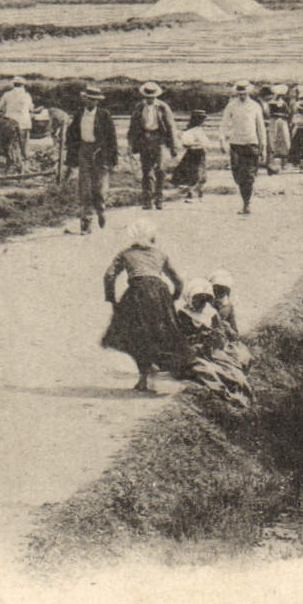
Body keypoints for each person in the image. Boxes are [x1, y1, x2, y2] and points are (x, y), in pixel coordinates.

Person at [101, 220, 187, 393]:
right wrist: (173, 298)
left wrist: (112, 299)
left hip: (137, 293)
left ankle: (143, 378)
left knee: (135, 334)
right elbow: (178, 281)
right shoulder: (160, 254)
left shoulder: (125, 254)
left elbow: (109, 275)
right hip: (160, 293)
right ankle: (164, 370)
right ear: (152, 237)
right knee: (162, 332)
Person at [174, 278, 253, 407]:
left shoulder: (210, 313)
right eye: (198, 299)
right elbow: (179, 339)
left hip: (212, 351)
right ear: (189, 298)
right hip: (194, 353)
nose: (202, 304)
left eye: (205, 300)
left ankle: (243, 394)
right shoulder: (183, 314)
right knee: (210, 372)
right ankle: (228, 396)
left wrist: (213, 338)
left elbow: (220, 335)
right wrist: (197, 341)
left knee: (233, 371)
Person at [63, 85, 119, 233]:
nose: (91, 102)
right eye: (88, 99)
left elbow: (112, 138)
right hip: (84, 152)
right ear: (85, 99)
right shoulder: (79, 114)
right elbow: (72, 135)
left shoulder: (104, 115)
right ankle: (86, 221)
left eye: (94, 100)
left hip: (101, 153)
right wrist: (71, 155)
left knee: (99, 188)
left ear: (98, 101)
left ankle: (100, 210)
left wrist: (113, 159)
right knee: (84, 188)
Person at [126, 81, 180, 210]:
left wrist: (173, 147)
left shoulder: (163, 107)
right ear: (144, 96)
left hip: (160, 140)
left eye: (152, 97)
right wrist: (130, 144)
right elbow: (133, 127)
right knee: (147, 171)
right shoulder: (139, 107)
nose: (150, 99)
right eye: (147, 97)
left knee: (160, 169)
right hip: (144, 140)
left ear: (156, 96)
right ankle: (147, 201)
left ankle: (159, 199)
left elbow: (171, 126)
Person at [218, 80, 269, 215]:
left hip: (251, 144)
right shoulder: (231, 106)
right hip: (235, 144)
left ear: (249, 92)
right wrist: (222, 140)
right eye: (240, 93)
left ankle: (247, 204)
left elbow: (260, 127)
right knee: (238, 176)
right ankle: (245, 200)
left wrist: (263, 146)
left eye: (244, 93)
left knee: (249, 175)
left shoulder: (255, 106)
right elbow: (223, 124)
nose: (242, 96)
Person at [169, 109, 211, 201]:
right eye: (201, 120)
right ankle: (191, 193)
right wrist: (196, 144)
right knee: (194, 173)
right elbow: (185, 143)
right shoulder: (191, 131)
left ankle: (199, 194)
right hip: (194, 153)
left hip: (200, 153)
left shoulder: (199, 130)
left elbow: (206, 143)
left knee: (200, 173)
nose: (203, 122)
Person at [0, 76, 34, 163]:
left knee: (7, 141)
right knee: (24, 142)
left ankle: (9, 158)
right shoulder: (27, 95)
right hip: (23, 122)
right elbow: (31, 108)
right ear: (23, 85)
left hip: (9, 122)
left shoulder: (7, 94)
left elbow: (0, 107)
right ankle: (24, 157)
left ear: (14, 84)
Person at [264, 84, 292, 174]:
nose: (279, 97)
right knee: (273, 141)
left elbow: (288, 112)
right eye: (278, 95)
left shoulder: (283, 103)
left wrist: (285, 116)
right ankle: (271, 163)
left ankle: (284, 163)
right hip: (274, 122)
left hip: (282, 123)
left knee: (284, 141)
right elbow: (268, 113)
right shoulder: (271, 103)